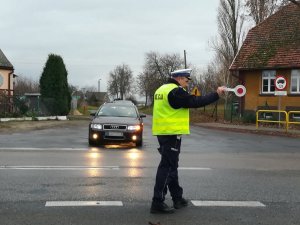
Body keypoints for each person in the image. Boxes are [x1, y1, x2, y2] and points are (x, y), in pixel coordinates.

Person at [150, 68, 226, 214]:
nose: (187, 82)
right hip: (171, 133)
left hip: (163, 132)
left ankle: (177, 198)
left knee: (171, 166)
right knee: (167, 167)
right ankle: (157, 201)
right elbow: (195, 101)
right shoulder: (175, 91)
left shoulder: (161, 89)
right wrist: (216, 94)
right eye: (186, 79)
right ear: (178, 78)